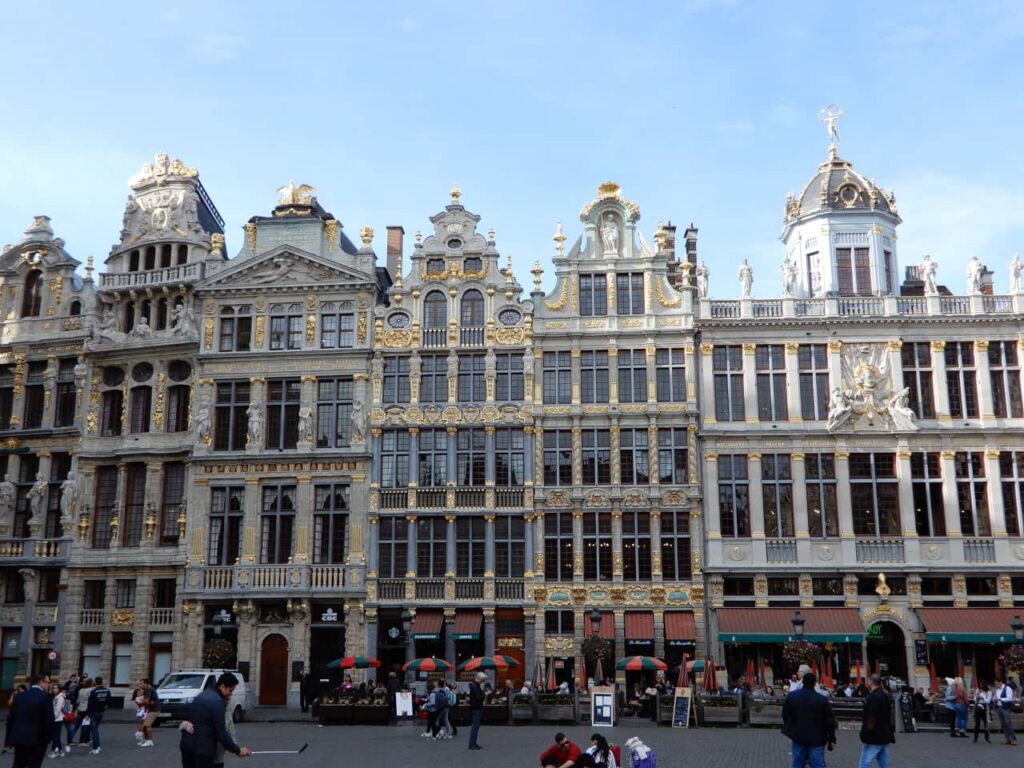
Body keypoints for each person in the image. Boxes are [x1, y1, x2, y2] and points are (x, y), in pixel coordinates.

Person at [179, 672, 251, 768]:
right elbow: (221, 733)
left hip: (187, 748)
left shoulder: (200, 696)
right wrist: (237, 750)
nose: (230, 694)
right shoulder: (217, 702)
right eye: (230, 690)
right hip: (204, 751)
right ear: (222, 686)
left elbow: (188, 720)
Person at [782, 672, 836, 768]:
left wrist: (791, 727)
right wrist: (831, 738)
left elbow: (785, 714)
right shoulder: (822, 699)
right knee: (817, 764)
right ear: (814, 683)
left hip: (798, 735)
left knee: (797, 764)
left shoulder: (792, 696)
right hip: (817, 737)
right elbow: (829, 721)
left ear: (803, 682)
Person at [5, 672, 52, 768]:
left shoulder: (19, 697)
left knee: (18, 764)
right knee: (34, 765)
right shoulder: (45, 697)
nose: (48, 685)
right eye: (48, 683)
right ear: (41, 682)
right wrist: (47, 738)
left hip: (19, 738)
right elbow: (49, 720)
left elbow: (11, 719)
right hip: (37, 740)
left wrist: (8, 739)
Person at [859, 674, 895, 768]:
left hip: (874, 735)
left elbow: (871, 717)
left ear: (870, 682)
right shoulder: (885, 695)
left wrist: (866, 735)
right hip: (884, 733)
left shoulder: (873, 697)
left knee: (865, 761)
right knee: (883, 759)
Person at [84, 676, 109, 755]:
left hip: (94, 712)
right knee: (95, 728)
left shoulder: (94, 691)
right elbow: (108, 700)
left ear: (95, 682)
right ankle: (95, 743)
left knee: (94, 730)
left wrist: (87, 714)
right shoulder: (107, 690)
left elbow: (90, 704)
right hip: (101, 712)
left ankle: (96, 747)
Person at [137, 677, 160, 747]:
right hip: (150, 709)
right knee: (144, 725)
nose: (140, 685)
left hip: (154, 710)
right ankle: (146, 740)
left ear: (146, 684)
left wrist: (140, 703)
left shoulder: (148, 689)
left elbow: (146, 701)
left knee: (147, 725)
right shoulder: (148, 690)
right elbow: (148, 701)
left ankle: (150, 741)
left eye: (141, 684)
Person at [995, 677, 1018, 745]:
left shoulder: (1007, 688)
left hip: (1005, 708)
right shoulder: (997, 690)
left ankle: (1013, 739)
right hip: (999, 707)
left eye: (996, 684)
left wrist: (999, 699)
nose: (995, 685)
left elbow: (1009, 698)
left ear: (1000, 682)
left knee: (1008, 723)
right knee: (1004, 724)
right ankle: (1008, 739)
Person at [49, 682, 68, 758]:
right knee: (56, 735)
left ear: (59, 689)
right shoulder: (55, 697)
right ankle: (60, 751)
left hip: (57, 719)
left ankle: (53, 751)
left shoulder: (60, 697)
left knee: (55, 736)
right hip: (55, 718)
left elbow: (58, 710)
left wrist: (52, 718)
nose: (55, 689)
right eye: (53, 688)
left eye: (56, 688)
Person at [467, 671, 485, 750]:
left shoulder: (474, 685)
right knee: (475, 727)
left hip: (475, 708)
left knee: (475, 727)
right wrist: (484, 694)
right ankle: (472, 744)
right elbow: (478, 697)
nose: (483, 681)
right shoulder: (475, 686)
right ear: (479, 678)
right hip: (476, 708)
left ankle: (473, 743)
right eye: (483, 679)